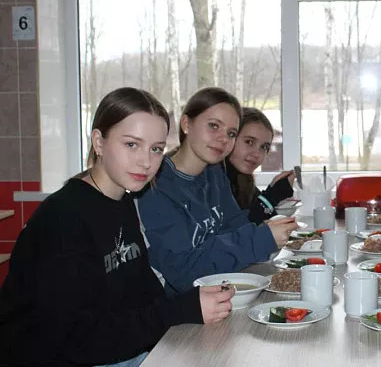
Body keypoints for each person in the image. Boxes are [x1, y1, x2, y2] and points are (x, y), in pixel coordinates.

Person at [0, 88, 234, 367]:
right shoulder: (62, 219)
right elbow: (76, 340)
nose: (146, 162)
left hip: (108, 349)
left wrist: (191, 303)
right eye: (132, 145)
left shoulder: (123, 199)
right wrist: (180, 310)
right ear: (99, 142)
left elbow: (142, 292)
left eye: (156, 149)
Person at [138, 88, 297, 294]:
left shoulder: (213, 172)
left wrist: (263, 231)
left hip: (219, 290)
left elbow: (234, 227)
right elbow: (183, 273)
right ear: (186, 124)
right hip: (182, 306)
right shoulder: (156, 186)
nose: (223, 139)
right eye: (214, 126)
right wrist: (259, 239)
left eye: (231, 133)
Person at [225, 107, 295, 225]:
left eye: (264, 147)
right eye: (249, 142)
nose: (256, 154)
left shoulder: (244, 180)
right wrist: (273, 195)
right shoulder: (215, 181)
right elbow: (240, 229)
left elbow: (263, 220)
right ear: (230, 137)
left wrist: (274, 190)